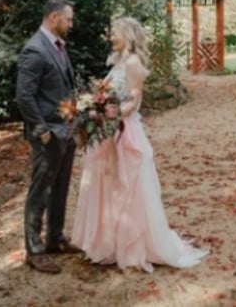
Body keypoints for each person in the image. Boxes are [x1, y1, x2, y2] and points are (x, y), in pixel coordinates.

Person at [71, 17, 208, 273]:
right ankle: (110, 244)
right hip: (108, 132)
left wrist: (108, 116)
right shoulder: (119, 61)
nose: (111, 38)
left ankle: (134, 246)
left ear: (128, 36)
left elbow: (134, 102)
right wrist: (96, 110)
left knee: (128, 187)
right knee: (109, 186)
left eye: (115, 33)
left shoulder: (133, 62)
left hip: (125, 133)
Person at [16, 0, 83, 273]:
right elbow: (24, 96)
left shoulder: (58, 46)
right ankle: (34, 249)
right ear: (54, 18)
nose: (71, 24)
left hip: (66, 132)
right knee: (40, 191)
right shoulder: (34, 49)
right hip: (48, 135)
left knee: (60, 188)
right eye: (68, 19)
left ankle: (55, 238)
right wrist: (41, 130)